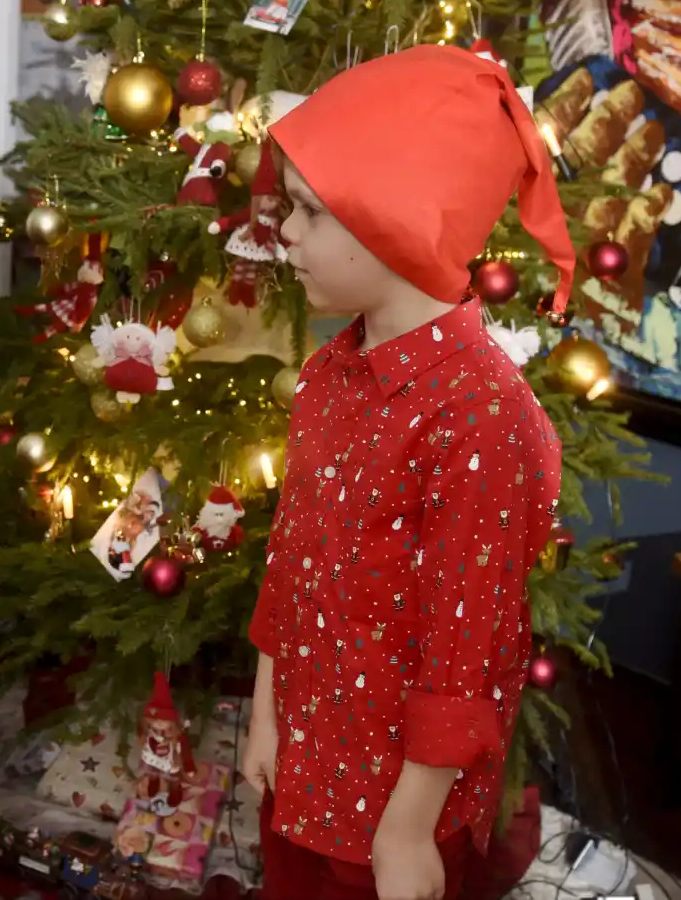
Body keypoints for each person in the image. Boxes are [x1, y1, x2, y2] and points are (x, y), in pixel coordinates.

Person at [238, 45, 574, 900]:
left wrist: (408, 829)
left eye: (310, 212)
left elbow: (466, 657)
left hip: (388, 815)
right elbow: (291, 566)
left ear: (392, 219)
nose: (283, 231)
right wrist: (266, 715)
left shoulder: (482, 418)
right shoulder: (328, 374)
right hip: (303, 775)